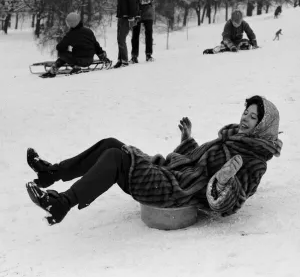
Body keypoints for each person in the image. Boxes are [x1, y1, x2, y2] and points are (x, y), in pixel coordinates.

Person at [26, 95, 282, 225]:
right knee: (112, 144)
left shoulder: (253, 160)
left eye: (252, 117)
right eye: (245, 112)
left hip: (175, 192)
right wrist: (187, 140)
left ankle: (62, 204)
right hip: (171, 175)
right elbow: (196, 162)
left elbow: (232, 204)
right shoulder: (231, 139)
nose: (244, 118)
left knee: (116, 157)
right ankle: (53, 173)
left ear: (263, 125)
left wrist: (225, 182)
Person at [41, 12, 108, 78]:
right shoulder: (89, 31)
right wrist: (103, 57)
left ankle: (58, 70)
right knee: (69, 54)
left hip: (78, 61)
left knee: (62, 53)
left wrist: (67, 48)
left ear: (70, 23)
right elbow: (96, 46)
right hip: (89, 60)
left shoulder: (71, 34)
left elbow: (59, 47)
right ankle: (53, 71)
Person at [113, 0, 140, 68]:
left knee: (121, 38)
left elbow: (133, 4)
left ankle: (124, 61)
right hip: (121, 16)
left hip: (127, 17)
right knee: (119, 39)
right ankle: (120, 60)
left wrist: (132, 18)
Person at [129, 0, 156, 64]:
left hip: (148, 13)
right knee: (135, 35)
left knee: (149, 34)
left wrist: (140, 0)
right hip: (137, 12)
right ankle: (134, 56)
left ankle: (148, 54)